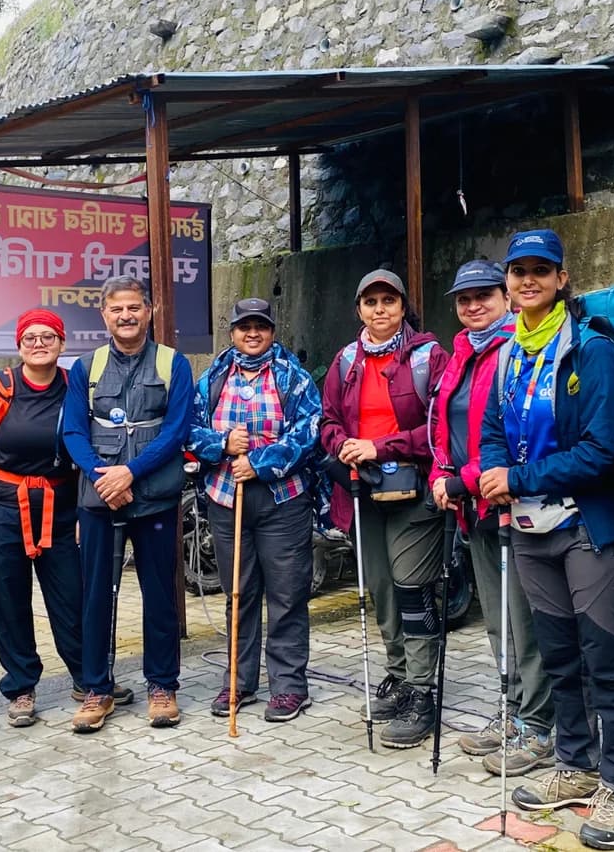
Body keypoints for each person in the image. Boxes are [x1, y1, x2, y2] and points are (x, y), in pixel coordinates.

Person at [474, 230, 614, 849]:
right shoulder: (507, 353)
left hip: (587, 528)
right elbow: (494, 429)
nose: (528, 281)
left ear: (561, 277)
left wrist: (516, 476)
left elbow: (605, 450)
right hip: (529, 531)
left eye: (540, 271)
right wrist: (497, 473)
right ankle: (576, 765)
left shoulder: (593, 350)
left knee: (606, 658)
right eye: (518, 272)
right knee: (559, 656)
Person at [0, 309, 132, 729]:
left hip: (62, 506)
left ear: (61, 343)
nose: (39, 344)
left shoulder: (76, 386)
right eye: (30, 338)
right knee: (9, 597)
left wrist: (85, 510)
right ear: (19, 345)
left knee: (72, 597)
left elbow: (87, 448)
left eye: (48, 337)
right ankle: (20, 686)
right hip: (3, 506)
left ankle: (86, 678)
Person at [427, 258, 556, 773]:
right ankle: (509, 709)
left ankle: (538, 724)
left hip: (507, 501)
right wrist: (442, 473)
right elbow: (444, 424)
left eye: (484, 295)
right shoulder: (460, 354)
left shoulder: (517, 350)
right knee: (498, 618)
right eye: (464, 299)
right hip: (471, 506)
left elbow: (511, 431)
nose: (474, 305)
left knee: (524, 621)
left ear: (505, 298)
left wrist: (468, 477)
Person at [320, 267, 450, 749]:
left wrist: (381, 446)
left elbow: (439, 428)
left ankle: (422, 690)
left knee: (413, 587)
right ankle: (399, 674)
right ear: (359, 309)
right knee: (381, 587)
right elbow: (328, 420)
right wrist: (346, 446)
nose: (380, 310)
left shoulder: (427, 357)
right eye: (371, 302)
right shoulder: (345, 360)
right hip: (363, 493)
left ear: (402, 308)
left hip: (413, 491)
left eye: (388, 302)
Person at [62, 276, 195, 731]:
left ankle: (163, 685)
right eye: (117, 309)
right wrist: (104, 477)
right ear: (104, 314)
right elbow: (74, 431)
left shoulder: (174, 364)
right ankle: (97, 689)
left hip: (154, 497)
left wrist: (130, 473)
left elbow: (177, 429)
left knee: (160, 594)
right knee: (95, 595)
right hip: (99, 499)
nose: (126, 316)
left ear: (150, 310)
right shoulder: (86, 368)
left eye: (134, 307)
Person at [190, 298, 323, 723]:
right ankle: (239, 680)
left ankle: (288, 687)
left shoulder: (293, 378)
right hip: (227, 498)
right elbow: (189, 430)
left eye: (260, 326)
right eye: (244, 326)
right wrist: (224, 445)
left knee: (286, 594)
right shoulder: (212, 377)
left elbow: (310, 432)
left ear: (271, 330)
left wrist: (261, 463)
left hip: (282, 500)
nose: (252, 334)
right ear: (231, 332)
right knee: (238, 593)